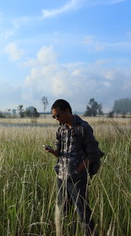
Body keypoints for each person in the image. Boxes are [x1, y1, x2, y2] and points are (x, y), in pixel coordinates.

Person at [45, 99, 101, 236]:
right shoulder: (61, 129)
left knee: (83, 213)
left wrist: (79, 169)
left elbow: (93, 153)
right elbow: (59, 152)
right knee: (62, 211)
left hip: (77, 178)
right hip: (61, 176)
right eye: (54, 116)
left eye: (58, 115)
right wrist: (52, 151)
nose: (56, 119)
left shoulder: (83, 127)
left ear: (68, 111)